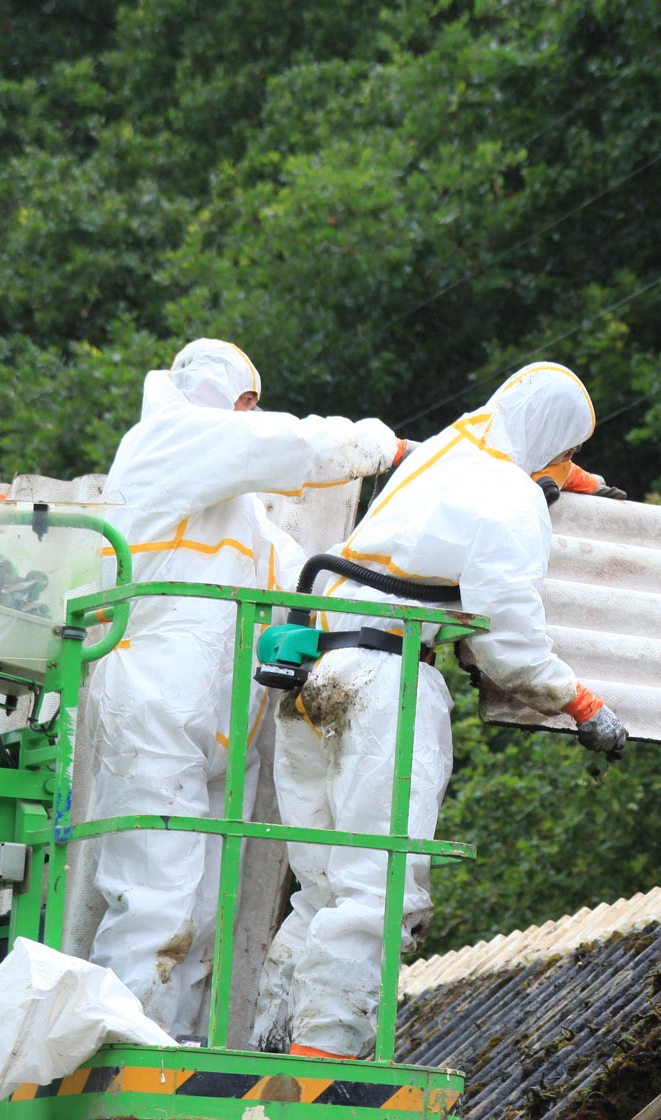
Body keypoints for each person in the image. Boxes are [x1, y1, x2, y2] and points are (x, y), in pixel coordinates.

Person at [252, 361, 628, 1058]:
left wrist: (570, 480)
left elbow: (504, 470)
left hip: (313, 666)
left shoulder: (449, 452)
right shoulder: (508, 494)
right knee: (379, 887)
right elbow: (505, 637)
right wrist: (577, 701)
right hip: (383, 682)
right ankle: (321, 1065)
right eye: (568, 451)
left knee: (323, 887)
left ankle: (271, 1054)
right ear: (549, 439)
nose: (567, 467)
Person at [85, 338, 403, 1038]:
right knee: (155, 895)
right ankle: (119, 1041)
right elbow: (292, 446)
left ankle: (170, 1042)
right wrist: (384, 446)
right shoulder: (169, 436)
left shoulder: (240, 518)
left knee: (197, 909)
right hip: (157, 706)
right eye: (249, 404)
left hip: (211, 726)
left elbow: (307, 579)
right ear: (241, 401)